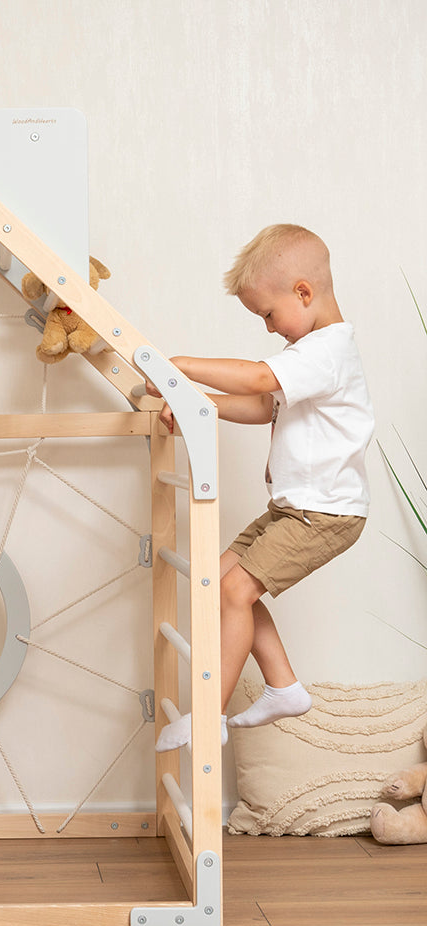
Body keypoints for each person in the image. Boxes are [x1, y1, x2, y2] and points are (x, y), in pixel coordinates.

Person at [148, 224, 374, 752]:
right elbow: (260, 406)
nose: (270, 329)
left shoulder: (328, 349)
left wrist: (178, 368)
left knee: (233, 590)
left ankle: (209, 717)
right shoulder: (311, 354)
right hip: (294, 509)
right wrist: (196, 401)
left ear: (303, 292)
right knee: (219, 579)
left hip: (325, 514)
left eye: (268, 315)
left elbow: (258, 381)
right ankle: (284, 685)